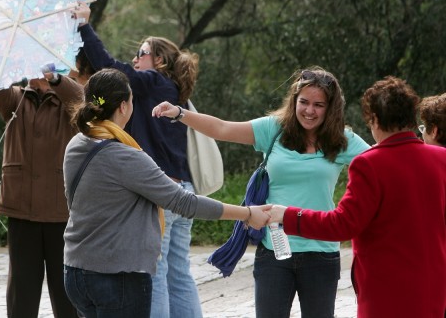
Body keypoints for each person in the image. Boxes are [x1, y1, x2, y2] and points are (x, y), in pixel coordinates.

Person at [153, 67, 371, 318]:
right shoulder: (274, 129)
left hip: (321, 252)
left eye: (319, 105)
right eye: (304, 102)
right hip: (274, 250)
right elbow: (222, 129)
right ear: (294, 101)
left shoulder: (342, 139)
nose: (309, 111)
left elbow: (382, 161)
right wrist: (181, 113)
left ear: (330, 108)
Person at [62, 68, 271, 318]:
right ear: (123, 107)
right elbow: (183, 201)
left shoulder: (77, 144)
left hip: (75, 272)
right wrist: (246, 213)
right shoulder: (126, 156)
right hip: (118, 278)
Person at [268, 76, 446, 318]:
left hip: (385, 291)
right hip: (434, 287)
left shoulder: (369, 164)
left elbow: (342, 225)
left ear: (373, 119)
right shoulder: (441, 158)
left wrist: (287, 215)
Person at [73, 3, 203, 318]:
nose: (134, 59)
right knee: (178, 273)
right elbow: (102, 99)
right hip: (182, 191)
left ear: (159, 61)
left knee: (154, 274)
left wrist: (84, 26)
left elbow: (110, 68)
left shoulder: (155, 83)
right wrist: (73, 82)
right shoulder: (167, 93)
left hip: (161, 193)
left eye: (141, 53)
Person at [0, 69, 83, 318]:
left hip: (61, 212)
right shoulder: (16, 98)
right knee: (22, 292)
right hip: (21, 209)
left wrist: (55, 79)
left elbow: (89, 101)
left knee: (67, 293)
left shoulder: (71, 96)